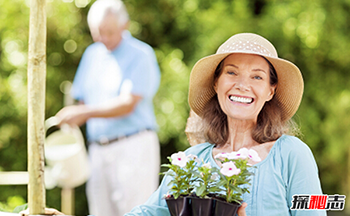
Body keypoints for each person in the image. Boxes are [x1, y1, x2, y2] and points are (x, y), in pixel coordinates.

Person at [124, 33, 326, 216]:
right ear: (216, 83)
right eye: (231, 73)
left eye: (257, 77)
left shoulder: (293, 154)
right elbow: (148, 213)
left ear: (270, 91)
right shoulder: (190, 162)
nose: (242, 85)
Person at [55, 0, 161, 215]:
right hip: (97, 150)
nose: (103, 38)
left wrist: (84, 113)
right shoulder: (92, 54)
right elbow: (82, 99)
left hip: (133, 145)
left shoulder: (141, 54)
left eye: (109, 32)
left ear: (125, 25)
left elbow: (127, 104)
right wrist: (71, 120)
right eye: (97, 32)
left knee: (136, 211)